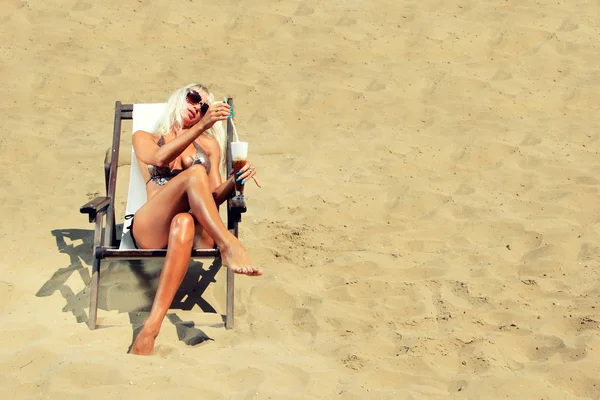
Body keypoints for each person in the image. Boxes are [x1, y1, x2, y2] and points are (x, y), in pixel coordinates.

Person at [129, 83, 262, 356]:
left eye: (203, 107)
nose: (196, 107)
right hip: (152, 226)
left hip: (193, 227)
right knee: (195, 174)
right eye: (193, 98)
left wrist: (236, 181)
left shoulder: (210, 146)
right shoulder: (146, 138)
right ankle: (229, 244)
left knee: (184, 221)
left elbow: (213, 197)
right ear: (179, 99)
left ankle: (150, 330)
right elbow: (159, 158)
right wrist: (199, 128)